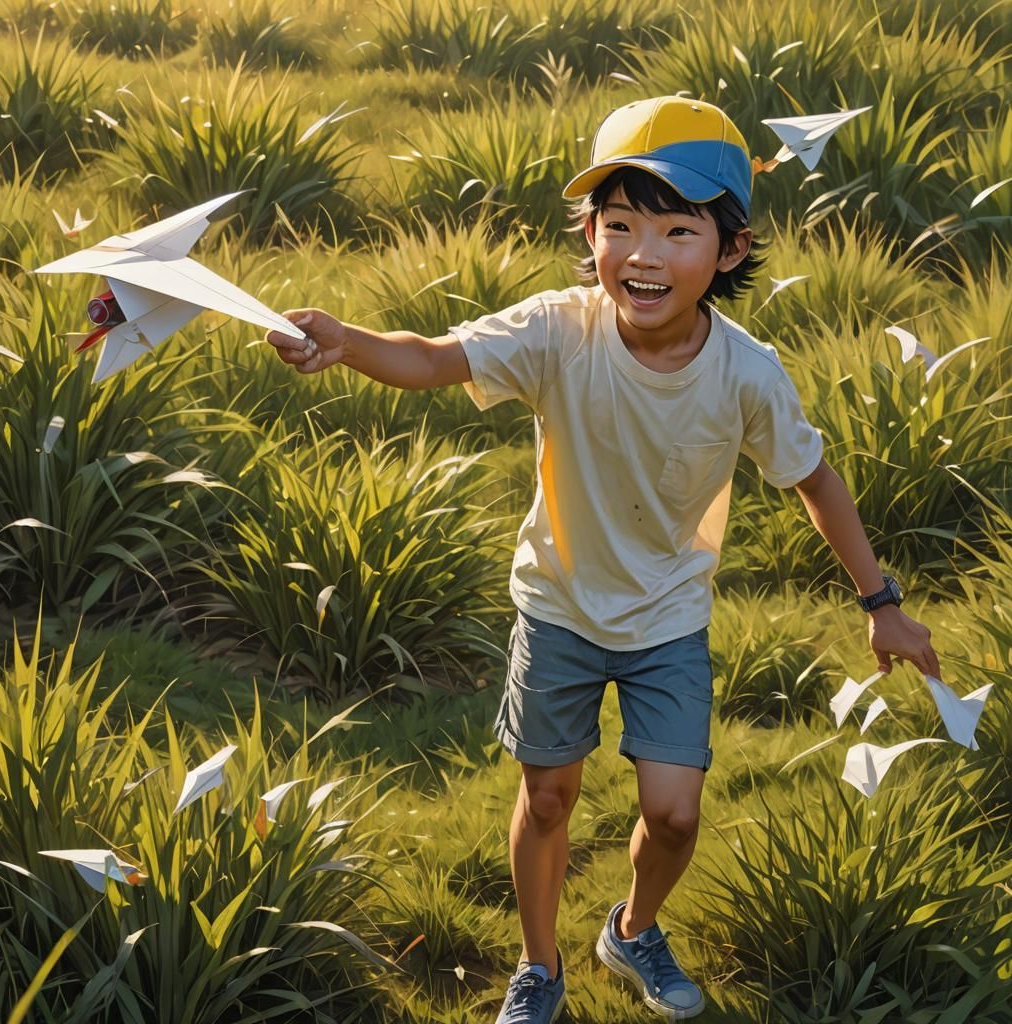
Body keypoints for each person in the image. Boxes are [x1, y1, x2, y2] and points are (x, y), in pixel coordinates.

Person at [266, 96, 942, 1023]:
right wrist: (347, 344)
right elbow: (431, 359)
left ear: (731, 250)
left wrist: (883, 603)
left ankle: (629, 930)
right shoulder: (559, 328)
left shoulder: (747, 373)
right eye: (619, 225)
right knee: (548, 798)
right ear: (590, 235)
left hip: (668, 613)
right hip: (560, 602)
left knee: (674, 813)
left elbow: (816, 481)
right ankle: (539, 967)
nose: (644, 254)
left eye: (676, 229)